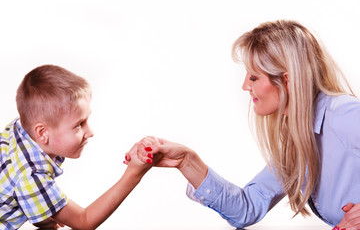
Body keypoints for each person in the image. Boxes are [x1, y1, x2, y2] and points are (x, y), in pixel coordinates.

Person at [125, 20, 360, 230]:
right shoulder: (297, 139)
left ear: (287, 80)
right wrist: (187, 161)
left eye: (254, 77)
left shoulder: (343, 115)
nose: (245, 86)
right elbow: (247, 208)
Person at [0, 65, 150, 229]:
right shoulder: (31, 176)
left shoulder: (22, 125)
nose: (90, 132)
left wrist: (43, 213)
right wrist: (134, 172)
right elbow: (84, 222)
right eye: (79, 125)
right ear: (42, 132)